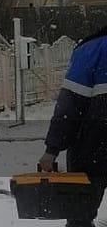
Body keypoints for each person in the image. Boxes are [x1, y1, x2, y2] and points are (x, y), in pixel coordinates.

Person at [41, 26, 107, 226]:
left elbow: (70, 107)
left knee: (80, 214)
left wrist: (52, 150)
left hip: (93, 150)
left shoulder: (91, 50)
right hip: (94, 148)